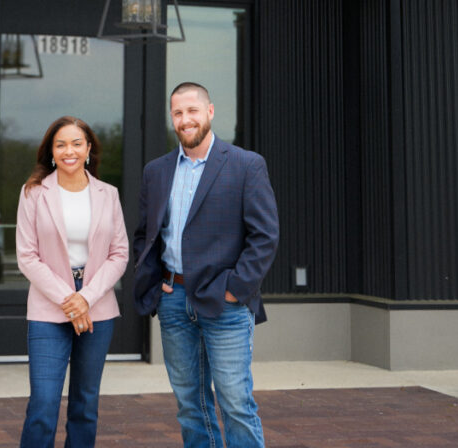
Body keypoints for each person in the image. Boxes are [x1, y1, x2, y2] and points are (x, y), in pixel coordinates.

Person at [133, 82, 279, 448]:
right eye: (178, 113)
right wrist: (156, 283)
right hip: (173, 300)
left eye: (192, 110)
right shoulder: (156, 171)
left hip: (225, 303)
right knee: (189, 404)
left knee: (236, 403)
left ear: (210, 112)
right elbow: (145, 234)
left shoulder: (246, 165)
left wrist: (235, 289)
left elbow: (264, 236)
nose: (185, 119)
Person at [16, 115, 128, 448]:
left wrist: (86, 298)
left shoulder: (108, 194)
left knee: (85, 403)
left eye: (77, 144)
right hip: (48, 307)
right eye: (61, 144)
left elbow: (119, 254)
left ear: (89, 149)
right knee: (43, 403)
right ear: (51, 152)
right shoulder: (33, 193)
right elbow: (27, 256)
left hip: (97, 307)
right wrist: (71, 299)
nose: (69, 151)